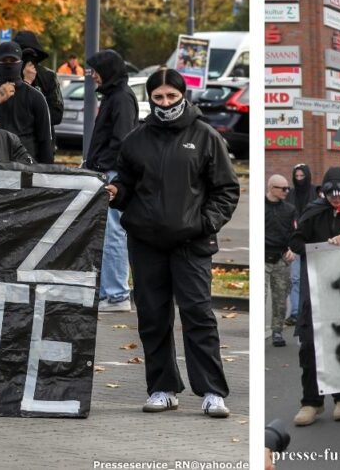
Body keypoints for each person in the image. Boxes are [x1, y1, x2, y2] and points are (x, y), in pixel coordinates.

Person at [104, 68, 239, 418]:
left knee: (197, 314)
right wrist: (116, 192)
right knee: (152, 316)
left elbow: (226, 189)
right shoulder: (136, 139)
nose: (165, 104)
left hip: (191, 243)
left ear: (183, 96)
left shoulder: (206, 136)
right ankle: (162, 388)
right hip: (146, 242)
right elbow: (127, 183)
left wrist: (204, 223)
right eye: (158, 97)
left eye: (172, 97)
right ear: (150, 99)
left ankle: (212, 391)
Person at [290, 166, 340, 426]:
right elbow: (296, 242)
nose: (336, 199)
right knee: (310, 346)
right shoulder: (313, 212)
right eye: (331, 194)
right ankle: (311, 401)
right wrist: (323, 247)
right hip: (315, 289)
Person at [85, 50, 137, 313]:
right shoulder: (114, 96)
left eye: (95, 70)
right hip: (108, 170)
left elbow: (122, 140)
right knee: (109, 234)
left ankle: (116, 294)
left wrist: (103, 167)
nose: (92, 74)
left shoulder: (120, 99)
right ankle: (111, 292)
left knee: (113, 233)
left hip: (112, 173)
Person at [0, 41, 54, 164]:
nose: (9, 64)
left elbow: (45, 140)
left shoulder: (35, 97)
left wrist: (46, 174)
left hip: (25, 166)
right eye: (4, 61)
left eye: (13, 61)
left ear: (20, 63)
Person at [264, 174, 295, 347]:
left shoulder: (289, 209)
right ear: (271, 188)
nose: (286, 191)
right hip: (263, 256)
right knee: (261, 296)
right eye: (282, 188)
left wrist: (291, 249)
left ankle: (277, 331)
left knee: (280, 298)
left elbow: (292, 233)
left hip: (281, 258)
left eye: (287, 188)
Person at [14, 31, 64, 128]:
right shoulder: (7, 75)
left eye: (31, 54)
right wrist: (26, 83)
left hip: (41, 139)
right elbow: (6, 113)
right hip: (13, 139)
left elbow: (56, 116)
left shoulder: (48, 76)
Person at [286, 164, 314, 327]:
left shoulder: (315, 193)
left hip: (312, 240)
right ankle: (296, 312)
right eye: (296, 176)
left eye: (302, 176)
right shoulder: (291, 194)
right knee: (295, 278)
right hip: (295, 240)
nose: (299, 179)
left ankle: (309, 311)